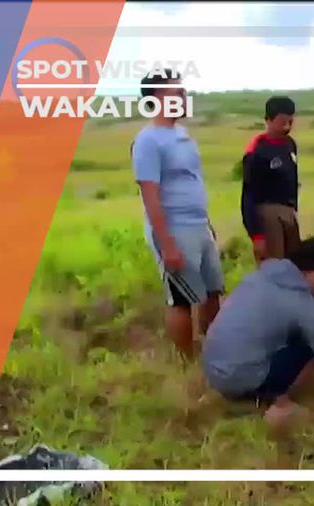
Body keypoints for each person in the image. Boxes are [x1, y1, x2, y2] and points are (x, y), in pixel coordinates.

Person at [131, 69, 223, 360]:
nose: (184, 98)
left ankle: (213, 352)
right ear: (157, 99)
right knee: (182, 299)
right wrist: (167, 244)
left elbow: (192, 181)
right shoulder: (147, 141)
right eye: (177, 93)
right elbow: (150, 196)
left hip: (198, 226)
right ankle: (187, 363)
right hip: (173, 228)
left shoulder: (182, 135)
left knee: (211, 292)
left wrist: (206, 224)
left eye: (183, 92)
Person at [202, 236, 314, 426]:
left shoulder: (257, 277)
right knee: (312, 343)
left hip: (214, 372)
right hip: (241, 378)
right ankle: (278, 402)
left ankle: (249, 395)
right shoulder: (302, 303)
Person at [241, 96, 301, 264]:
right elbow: (248, 195)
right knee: (274, 269)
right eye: (282, 122)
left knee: (294, 267)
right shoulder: (256, 150)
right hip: (267, 215)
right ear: (268, 120)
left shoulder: (290, 144)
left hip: (289, 213)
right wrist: (257, 236)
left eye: (291, 122)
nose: (287, 127)